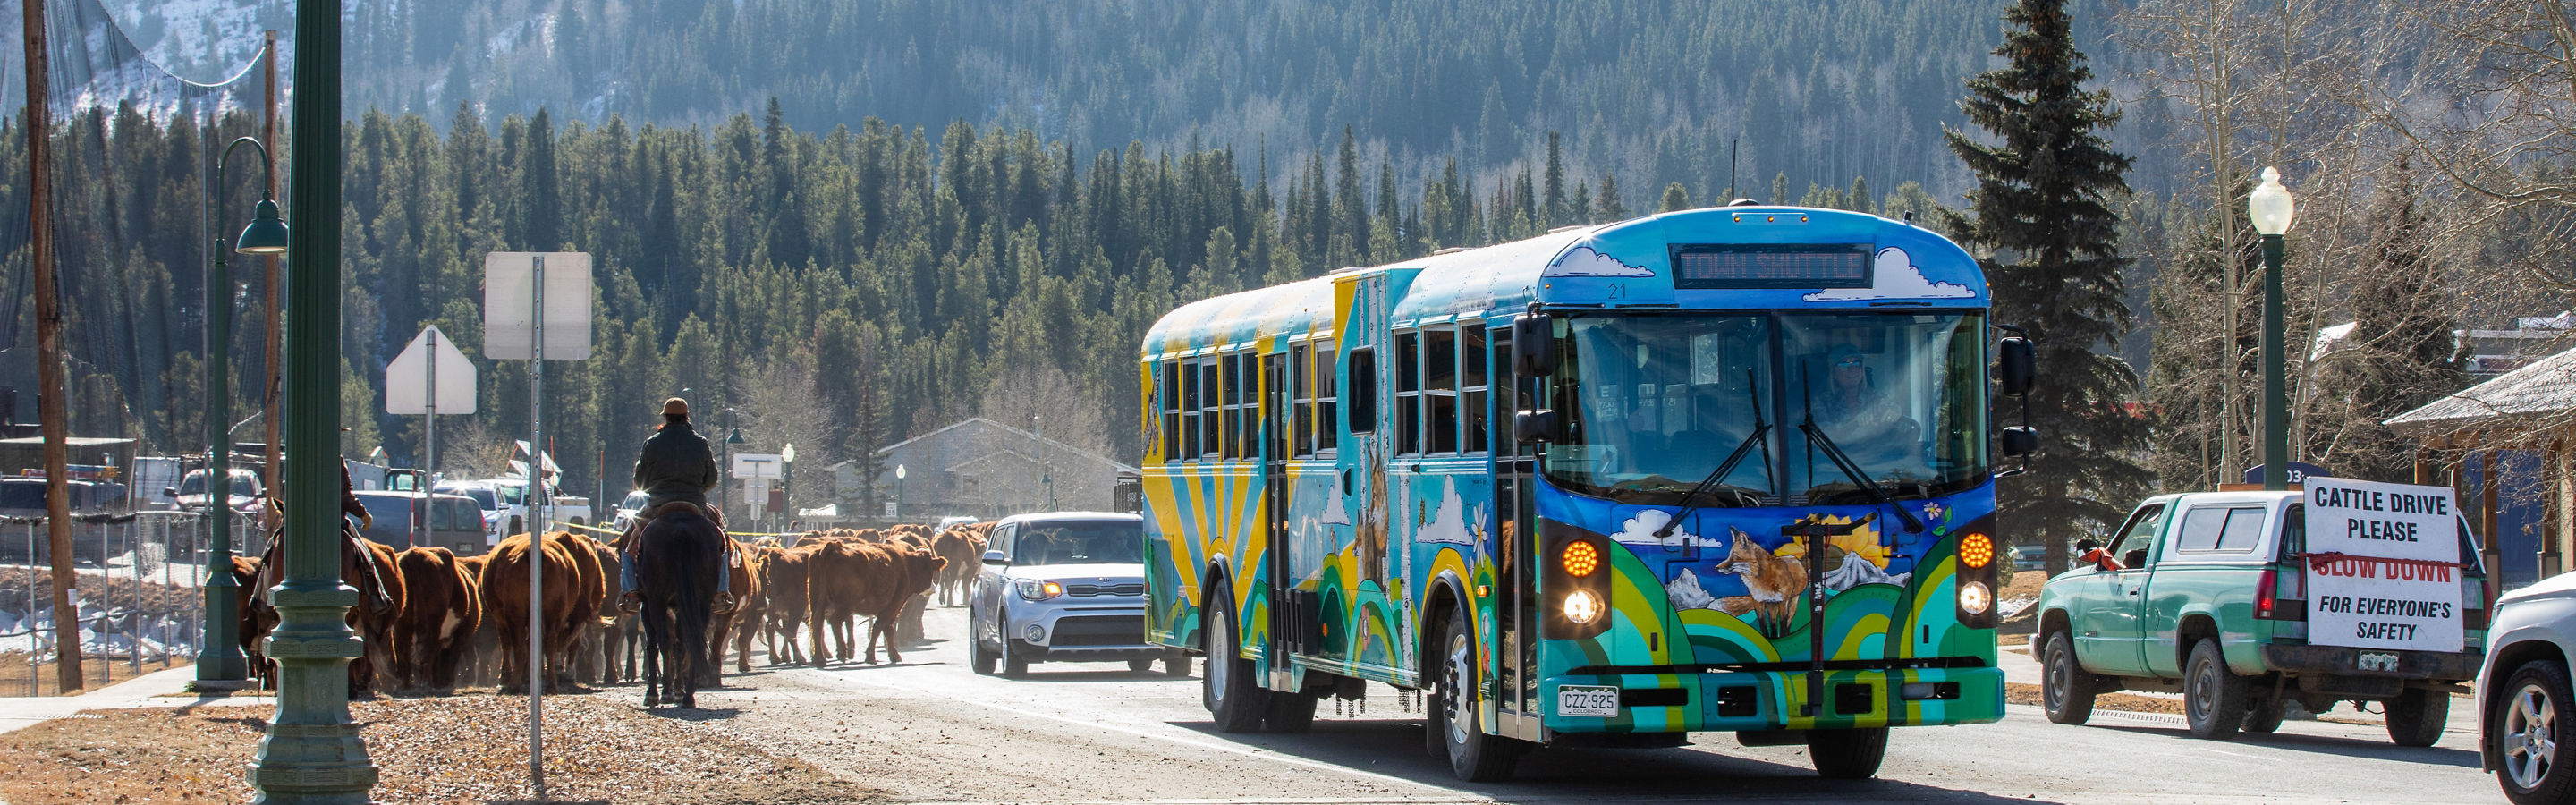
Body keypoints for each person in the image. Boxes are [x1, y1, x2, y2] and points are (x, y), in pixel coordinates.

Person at [618, 397, 733, 614]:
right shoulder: (700, 443)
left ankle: (631, 593)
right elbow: (712, 479)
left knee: (627, 545)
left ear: (666, 417)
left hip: (658, 505)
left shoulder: (652, 442)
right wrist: (696, 490)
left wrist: (655, 487)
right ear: (687, 417)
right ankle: (720, 591)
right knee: (722, 543)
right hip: (694, 504)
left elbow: (640, 479)